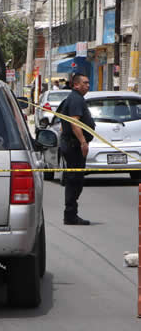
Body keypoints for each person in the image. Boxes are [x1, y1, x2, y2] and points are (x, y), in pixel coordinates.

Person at [59, 73, 95, 225]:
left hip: (72, 144)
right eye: (85, 83)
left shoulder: (75, 98)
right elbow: (75, 123)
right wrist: (83, 143)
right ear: (76, 85)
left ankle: (71, 214)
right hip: (74, 146)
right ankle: (70, 215)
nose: (88, 85)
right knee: (75, 181)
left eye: (88, 83)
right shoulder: (75, 99)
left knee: (76, 180)